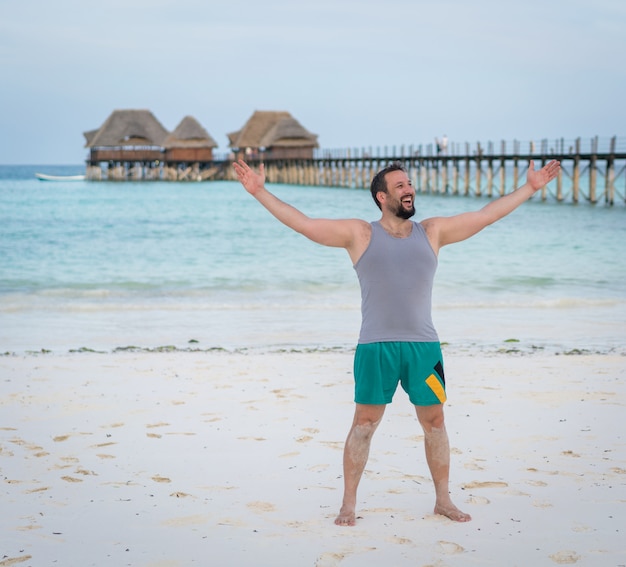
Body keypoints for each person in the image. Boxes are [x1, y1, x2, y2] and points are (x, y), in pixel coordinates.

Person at [233, 158, 561, 526]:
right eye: (401, 185)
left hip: (424, 347)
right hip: (375, 346)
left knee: (435, 422)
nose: (409, 189)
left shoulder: (432, 231)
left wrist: (530, 188)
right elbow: (306, 225)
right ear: (381, 196)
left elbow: (486, 215)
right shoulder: (360, 234)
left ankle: (443, 500)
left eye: (410, 183)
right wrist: (260, 192)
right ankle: (348, 504)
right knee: (364, 424)